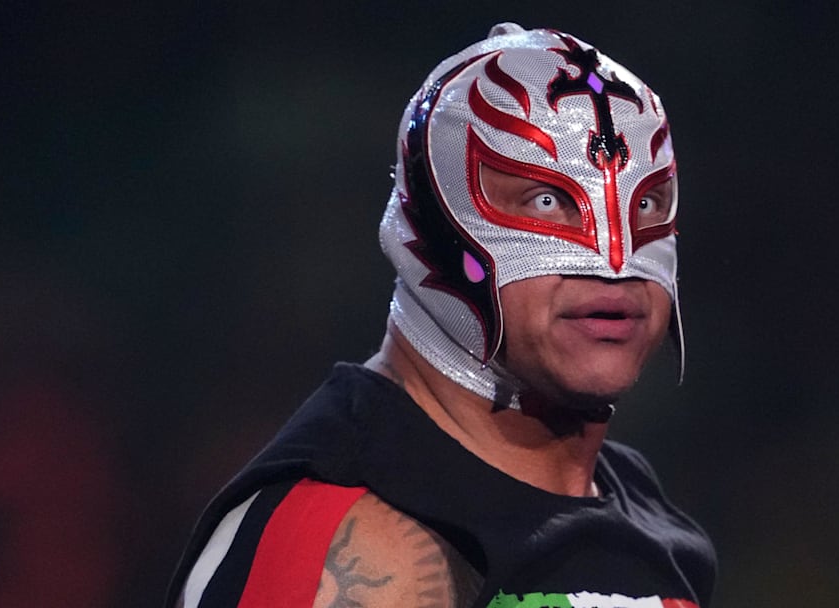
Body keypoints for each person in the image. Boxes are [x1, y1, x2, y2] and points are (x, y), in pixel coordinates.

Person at [166, 23, 716, 608]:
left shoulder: (649, 520)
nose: (614, 263)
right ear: (434, 225)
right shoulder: (345, 538)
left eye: (647, 203)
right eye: (546, 201)